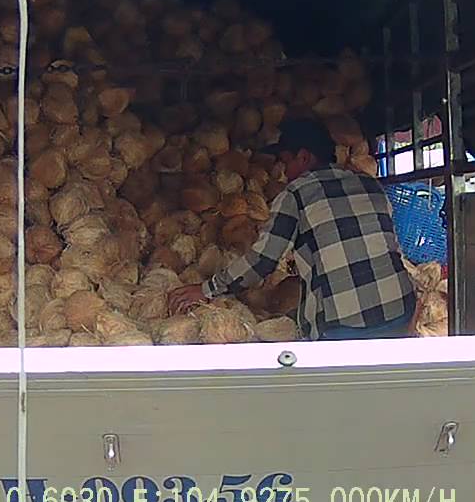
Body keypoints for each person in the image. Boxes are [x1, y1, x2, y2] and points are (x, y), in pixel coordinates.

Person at [167, 118, 417, 339]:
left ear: (304, 157)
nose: (284, 171)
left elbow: (262, 261)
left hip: (344, 328)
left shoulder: (296, 193)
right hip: (401, 311)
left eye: (286, 162)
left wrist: (207, 289)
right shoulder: (370, 184)